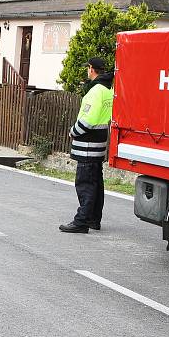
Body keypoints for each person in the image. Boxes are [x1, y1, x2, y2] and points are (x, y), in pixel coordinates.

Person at [59, 57, 114, 234]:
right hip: (99, 144)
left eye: (87, 68)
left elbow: (87, 121)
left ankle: (81, 221)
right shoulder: (108, 89)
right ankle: (93, 219)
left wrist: (72, 131)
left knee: (85, 184)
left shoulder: (95, 91)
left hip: (88, 146)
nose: (87, 71)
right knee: (96, 183)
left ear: (91, 69)